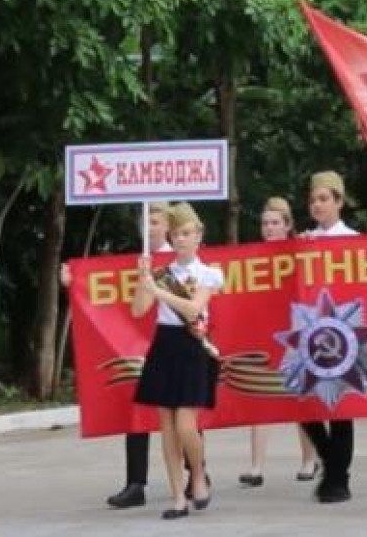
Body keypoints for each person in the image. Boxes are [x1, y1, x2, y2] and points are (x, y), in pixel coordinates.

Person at [61, 201, 173, 509]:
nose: (149, 228)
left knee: (181, 412)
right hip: (137, 347)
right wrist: (73, 280)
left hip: (172, 341)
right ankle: (136, 483)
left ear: (167, 226)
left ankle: (196, 474)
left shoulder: (180, 259)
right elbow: (95, 285)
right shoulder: (131, 261)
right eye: (145, 222)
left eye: (155, 222)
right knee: (136, 410)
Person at [131, 202, 222, 520]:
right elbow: (138, 310)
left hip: (191, 347)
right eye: (176, 234)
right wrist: (144, 279)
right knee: (167, 427)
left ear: (198, 235)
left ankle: (197, 474)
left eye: (186, 233)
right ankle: (177, 497)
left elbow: (194, 310)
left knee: (186, 424)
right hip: (164, 346)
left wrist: (158, 291)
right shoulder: (160, 274)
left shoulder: (209, 273)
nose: (181, 239)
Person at [239, 197, 321, 488]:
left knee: (302, 400)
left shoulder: (300, 250)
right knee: (261, 398)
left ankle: (309, 460)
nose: (269, 228)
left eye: (275, 223)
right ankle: (256, 467)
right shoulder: (254, 255)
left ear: (288, 226)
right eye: (265, 223)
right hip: (265, 332)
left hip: (297, 332)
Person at [300, 171, 359, 503]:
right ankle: (330, 463)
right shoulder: (305, 241)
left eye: (324, 199)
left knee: (339, 409)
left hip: (344, 334)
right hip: (310, 334)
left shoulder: (354, 240)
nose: (317, 205)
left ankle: (339, 478)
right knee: (305, 405)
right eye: (313, 200)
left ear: (339, 202)